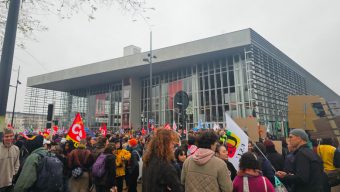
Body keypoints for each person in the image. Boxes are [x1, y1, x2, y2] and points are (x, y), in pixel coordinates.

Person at [0, 128, 20, 192]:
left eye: (11, 136)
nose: (9, 138)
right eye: (7, 136)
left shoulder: (16, 149)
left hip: (10, 183)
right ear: (3, 137)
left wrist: (13, 174)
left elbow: (17, 164)